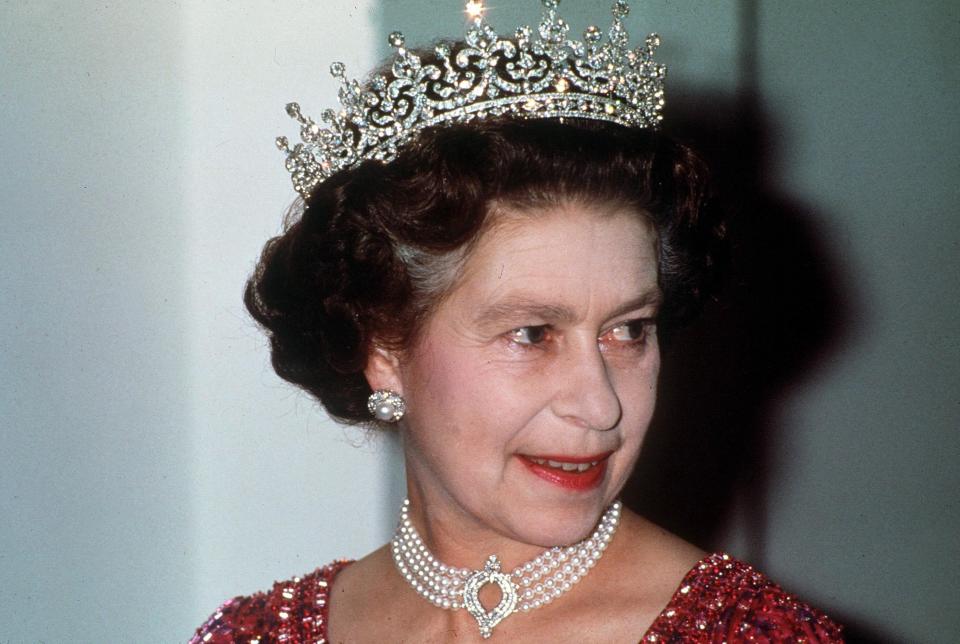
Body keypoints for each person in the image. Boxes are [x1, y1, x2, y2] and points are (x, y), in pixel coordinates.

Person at [192, 1, 843, 641]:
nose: (600, 406)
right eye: (532, 334)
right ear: (383, 346)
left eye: (629, 330)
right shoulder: (251, 635)